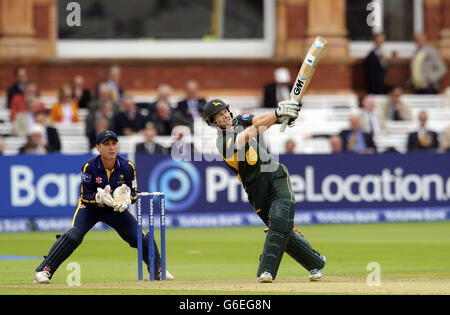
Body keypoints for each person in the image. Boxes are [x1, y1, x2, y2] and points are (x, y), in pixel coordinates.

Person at [202, 98, 325, 283]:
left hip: (274, 174)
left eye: (225, 111)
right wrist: (276, 115)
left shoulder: (240, 120)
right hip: (255, 188)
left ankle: (266, 272)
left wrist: (282, 117)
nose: (224, 115)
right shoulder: (223, 143)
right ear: (213, 122)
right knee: (281, 229)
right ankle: (316, 263)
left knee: (279, 220)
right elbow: (247, 135)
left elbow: (259, 120)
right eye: (219, 115)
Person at [34, 130, 173, 284]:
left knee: (141, 237)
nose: (111, 147)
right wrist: (99, 198)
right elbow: (84, 197)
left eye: (114, 144)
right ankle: (44, 271)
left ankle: (158, 270)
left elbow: (134, 193)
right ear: (99, 148)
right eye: (106, 144)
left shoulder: (127, 167)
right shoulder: (89, 167)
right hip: (91, 210)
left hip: (115, 210)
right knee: (73, 235)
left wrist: (126, 200)